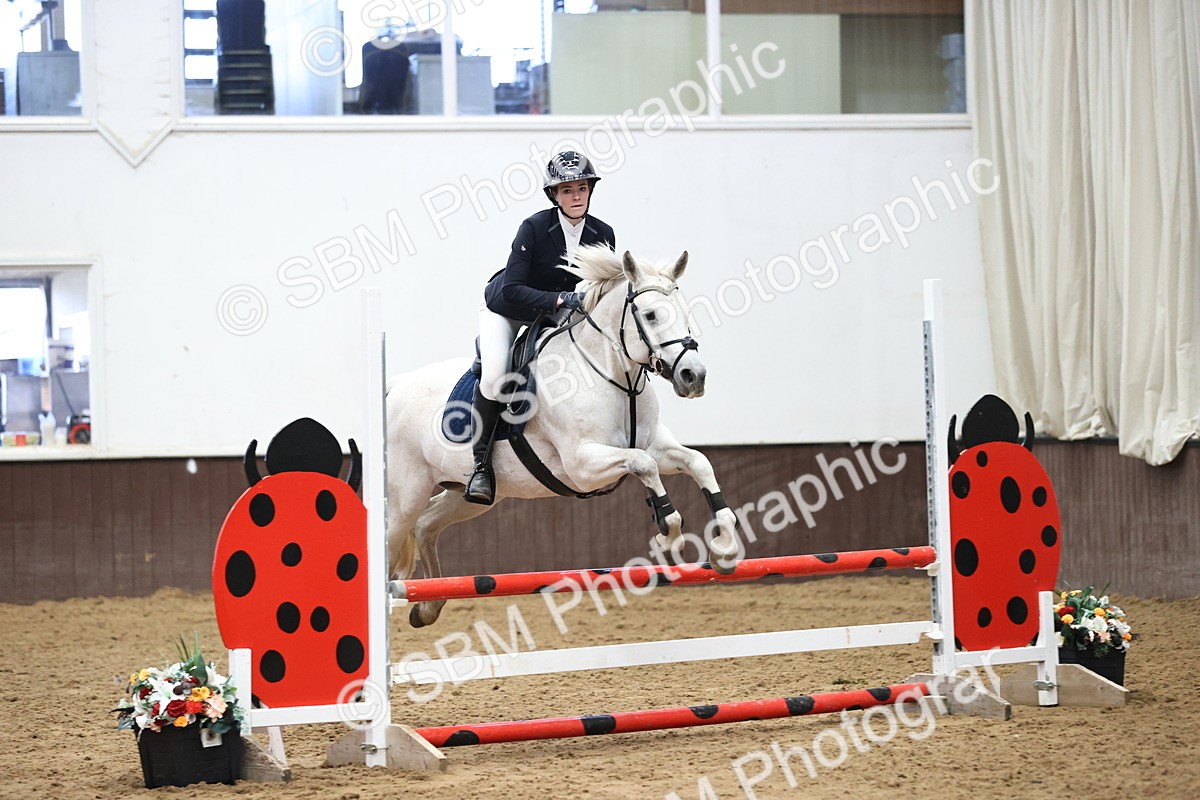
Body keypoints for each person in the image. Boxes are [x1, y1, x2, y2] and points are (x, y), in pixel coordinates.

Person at [464, 150, 617, 505]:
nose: (576, 196)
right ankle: (480, 467)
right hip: (508, 310)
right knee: (494, 376)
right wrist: (561, 299)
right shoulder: (533, 228)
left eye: (582, 188)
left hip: (557, 312)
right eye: (567, 190)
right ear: (554, 195)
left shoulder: (603, 233)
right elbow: (512, 289)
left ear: (590, 191)